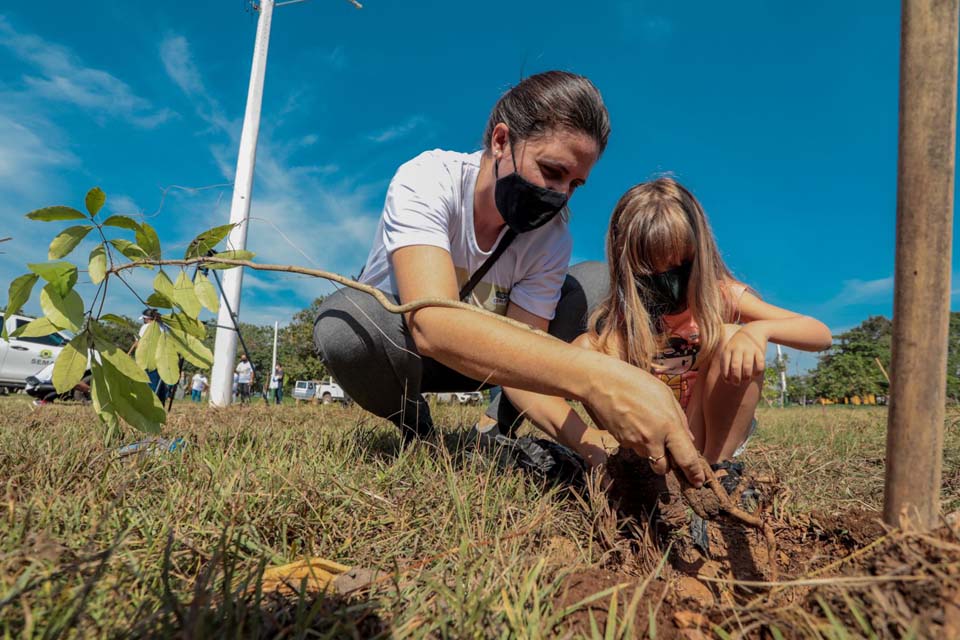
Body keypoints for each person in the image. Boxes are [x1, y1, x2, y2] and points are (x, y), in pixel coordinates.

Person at [314, 70, 705, 486]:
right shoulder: (428, 179)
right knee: (344, 325)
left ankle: (495, 425)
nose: (561, 195)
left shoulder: (550, 237)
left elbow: (526, 355)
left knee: (591, 284)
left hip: (489, 362)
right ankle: (416, 427)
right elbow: (431, 324)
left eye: (575, 184)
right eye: (551, 171)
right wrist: (598, 377)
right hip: (407, 354)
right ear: (501, 141)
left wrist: (590, 444)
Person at [521, 178, 833, 480]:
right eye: (650, 270)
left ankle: (719, 471)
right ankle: (632, 470)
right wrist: (589, 439)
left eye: (680, 266)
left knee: (731, 336)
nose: (668, 280)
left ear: (699, 254)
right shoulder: (623, 324)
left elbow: (819, 334)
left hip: (705, 435)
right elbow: (532, 382)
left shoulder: (719, 297)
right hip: (649, 443)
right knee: (590, 350)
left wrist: (756, 332)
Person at [129, 308, 174, 404]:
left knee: (148, 386)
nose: (143, 321)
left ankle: (150, 405)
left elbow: (138, 343)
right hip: (162, 361)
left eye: (144, 319)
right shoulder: (164, 327)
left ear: (147, 318)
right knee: (160, 385)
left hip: (147, 362)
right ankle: (160, 404)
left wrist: (128, 353)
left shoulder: (145, 327)